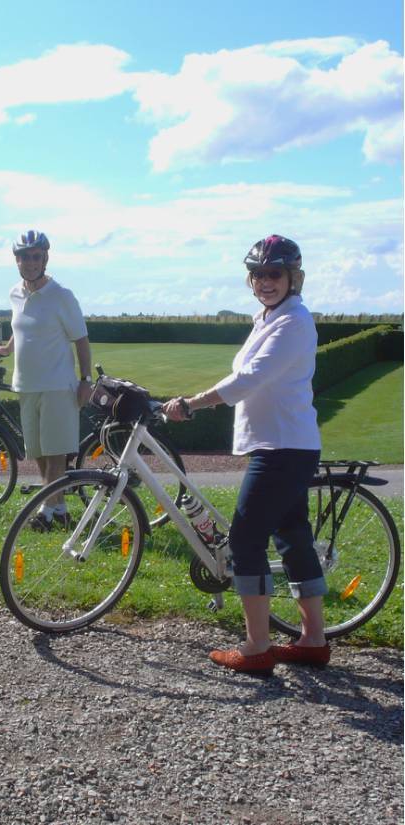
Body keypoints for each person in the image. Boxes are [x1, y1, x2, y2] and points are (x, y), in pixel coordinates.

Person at [162, 235, 328, 676]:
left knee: (245, 540)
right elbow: (243, 375)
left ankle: (257, 648)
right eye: (257, 274)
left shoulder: (293, 322)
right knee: (293, 538)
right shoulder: (268, 318)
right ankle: (313, 640)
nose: (265, 281)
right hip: (282, 443)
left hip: (281, 448)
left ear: (294, 278)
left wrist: (191, 403)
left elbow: (247, 380)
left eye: (274, 273)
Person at [0, 230, 92, 529]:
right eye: (24, 257)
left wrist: (85, 379)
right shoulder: (15, 294)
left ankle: (45, 512)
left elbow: (81, 340)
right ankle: (59, 510)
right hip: (27, 384)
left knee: (56, 451)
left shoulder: (62, 296)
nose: (30, 262)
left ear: (45, 258)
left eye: (36, 257)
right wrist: (7, 347)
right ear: (16, 260)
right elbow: (21, 324)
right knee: (38, 452)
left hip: (58, 385)